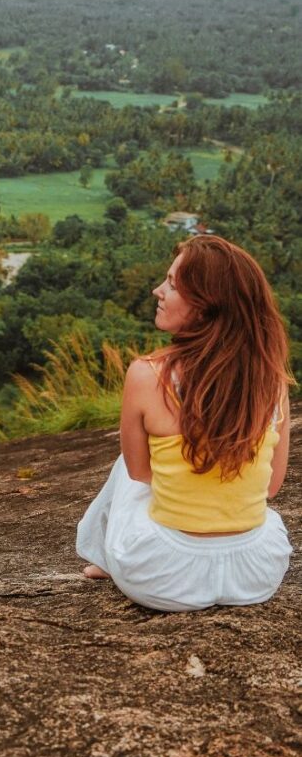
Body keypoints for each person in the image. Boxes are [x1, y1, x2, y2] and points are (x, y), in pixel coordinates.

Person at [76, 234, 294, 612]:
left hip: (162, 575)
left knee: (124, 468)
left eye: (173, 284)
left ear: (207, 305)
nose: (157, 290)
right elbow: (272, 486)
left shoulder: (147, 375)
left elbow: (140, 474)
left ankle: (106, 561)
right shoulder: (272, 381)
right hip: (256, 574)